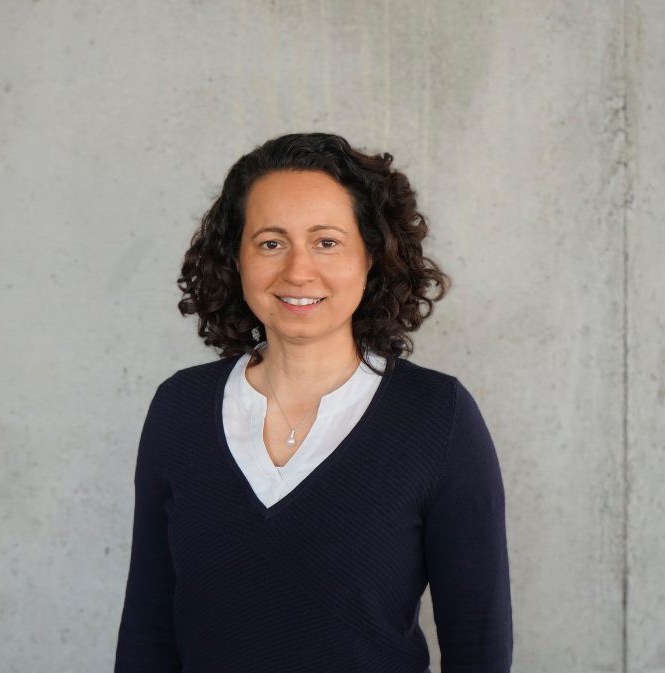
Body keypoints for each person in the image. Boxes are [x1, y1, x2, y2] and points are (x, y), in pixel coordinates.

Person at [114, 133, 513, 672]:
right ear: (236, 258)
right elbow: (147, 632)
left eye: (326, 242)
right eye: (270, 243)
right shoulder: (179, 409)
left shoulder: (437, 416)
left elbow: (478, 647)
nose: (298, 271)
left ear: (371, 256)